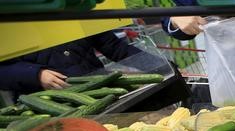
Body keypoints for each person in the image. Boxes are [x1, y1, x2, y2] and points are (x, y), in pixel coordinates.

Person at [0, 30, 145, 98]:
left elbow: (115, 47)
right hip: (49, 107)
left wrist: (161, 66)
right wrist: (35, 75)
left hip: (101, 93)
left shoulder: (73, 5)